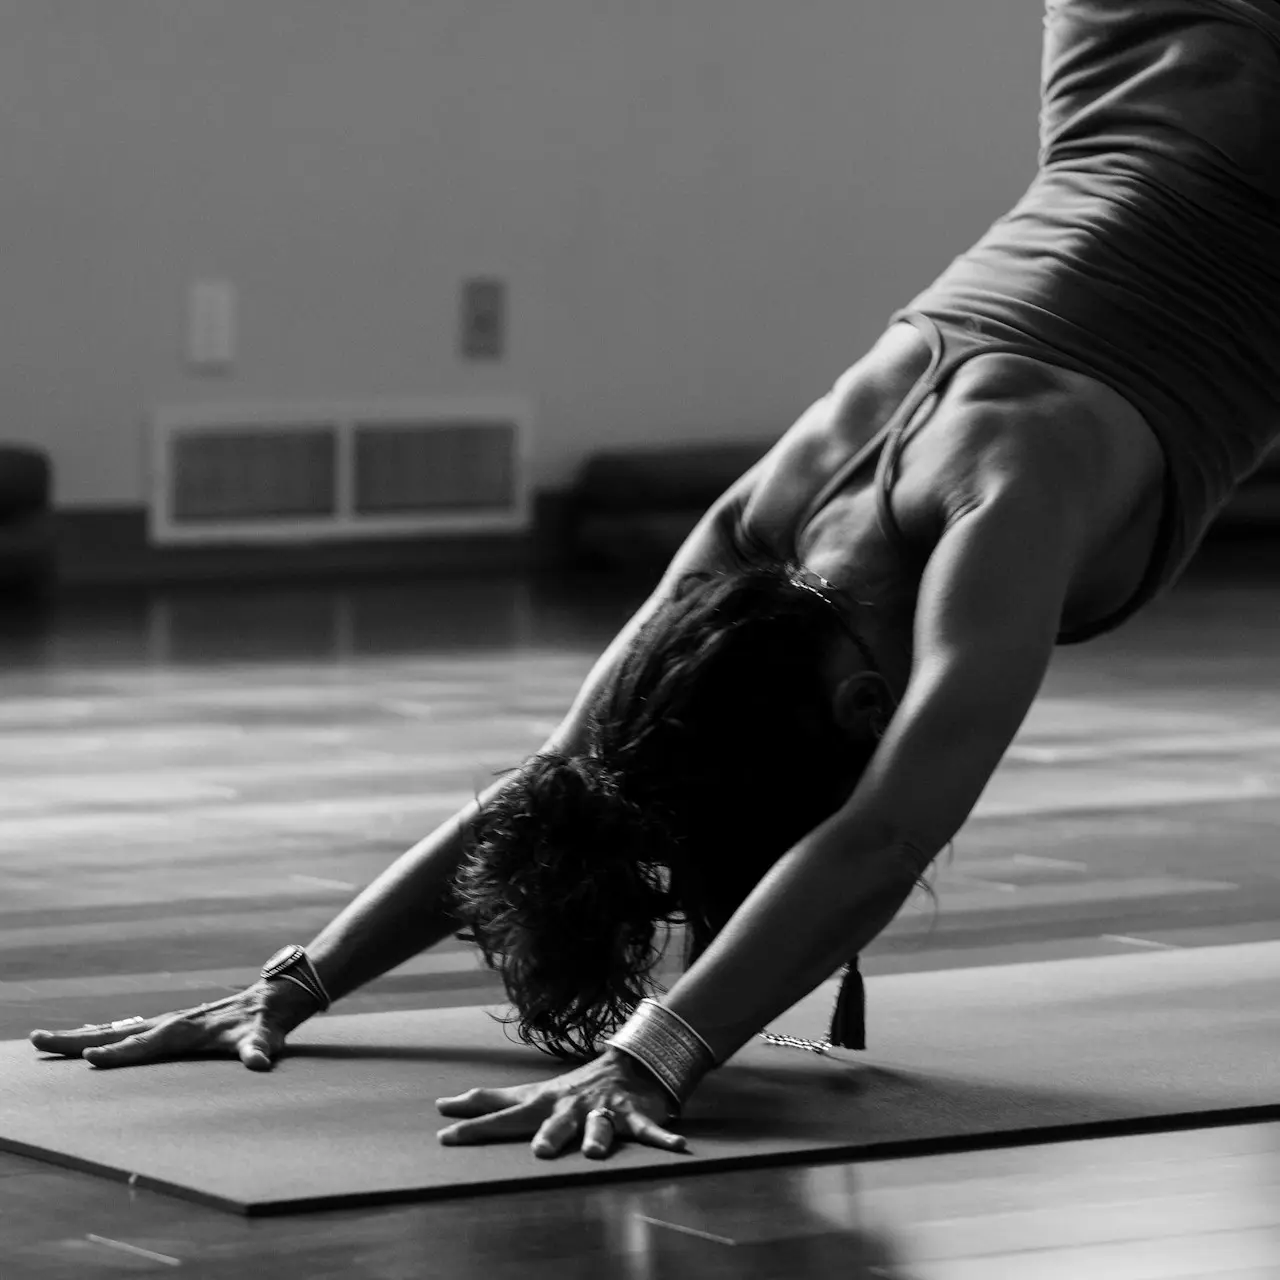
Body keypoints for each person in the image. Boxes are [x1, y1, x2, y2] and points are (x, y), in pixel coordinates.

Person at [30, 0, 1280, 1162]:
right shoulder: (757, 530)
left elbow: (884, 831)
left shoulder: (993, 509)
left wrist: (654, 1056)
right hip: (1124, 48)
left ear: (857, 714)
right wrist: (293, 982)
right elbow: (556, 783)